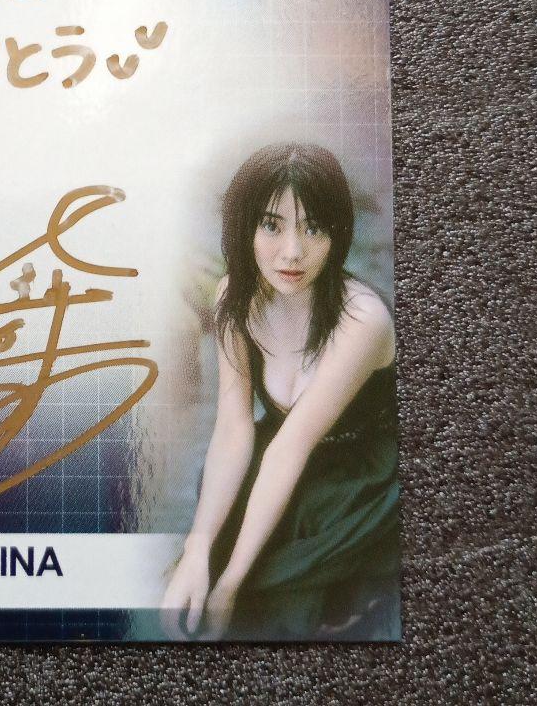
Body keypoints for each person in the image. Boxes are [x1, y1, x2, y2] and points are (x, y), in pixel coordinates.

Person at [162, 142, 399, 640]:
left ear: (336, 234)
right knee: (210, 533)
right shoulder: (234, 296)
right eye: (272, 225)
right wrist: (197, 548)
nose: (293, 251)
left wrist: (229, 587)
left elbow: (293, 447)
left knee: (271, 596)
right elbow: (233, 426)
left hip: (358, 474)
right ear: (244, 226)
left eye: (314, 228)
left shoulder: (362, 319)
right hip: (277, 454)